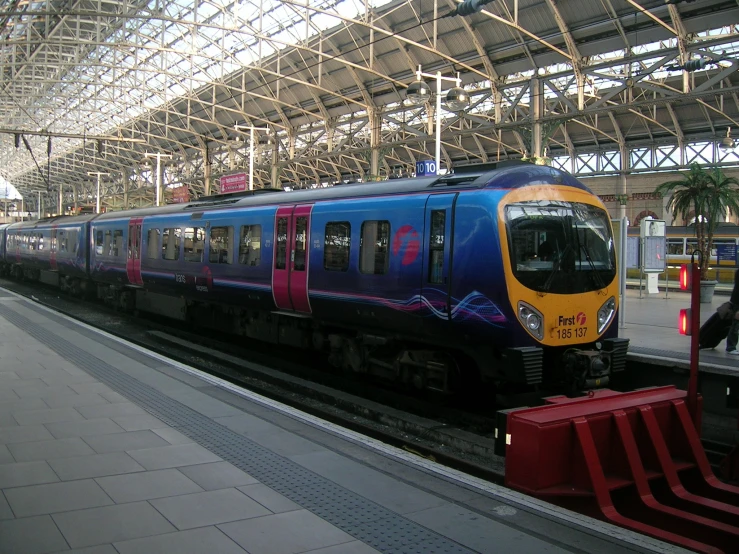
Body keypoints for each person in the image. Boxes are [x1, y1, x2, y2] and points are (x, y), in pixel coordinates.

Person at [726, 269, 739, 354]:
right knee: (735, 325)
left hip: (735, 302)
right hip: (737, 303)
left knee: (735, 325)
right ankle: (731, 347)